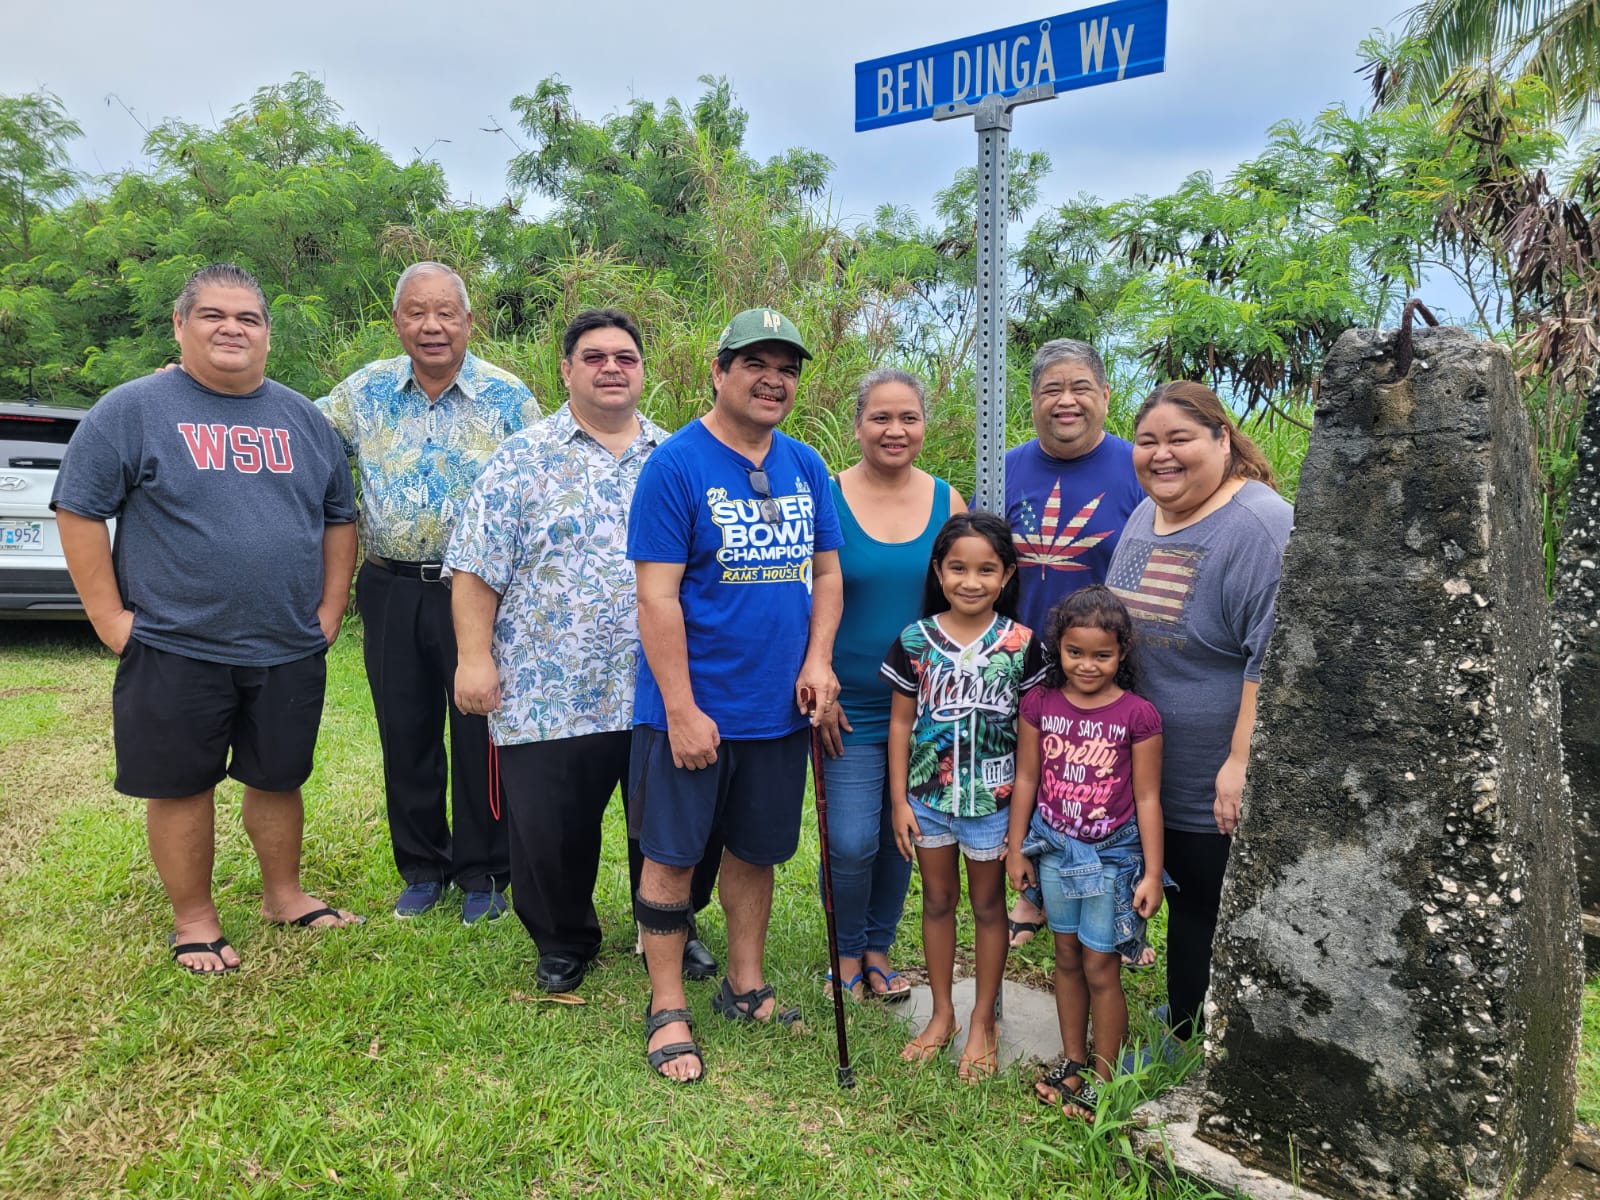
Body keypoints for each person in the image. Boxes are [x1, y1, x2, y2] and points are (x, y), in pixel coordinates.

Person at [52, 263, 363, 975]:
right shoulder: (132, 410)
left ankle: (284, 895)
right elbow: (78, 508)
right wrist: (107, 616)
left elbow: (338, 518)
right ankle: (194, 919)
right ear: (180, 326)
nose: (232, 329)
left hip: (286, 643)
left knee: (279, 776)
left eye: (248, 318)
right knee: (181, 783)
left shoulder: (302, 419)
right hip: (174, 642)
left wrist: (330, 608)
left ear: (266, 334)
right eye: (214, 315)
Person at [628, 308, 843, 1084]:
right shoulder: (675, 467)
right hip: (694, 710)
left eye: (786, 366)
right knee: (672, 858)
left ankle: (743, 984)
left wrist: (819, 659)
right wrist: (682, 710)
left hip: (779, 714)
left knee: (758, 853)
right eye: (755, 362)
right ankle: (666, 1005)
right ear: (719, 372)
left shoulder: (807, 465)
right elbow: (656, 600)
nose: (773, 379)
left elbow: (825, 573)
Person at [446, 309, 673, 992]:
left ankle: (663, 928)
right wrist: (473, 658)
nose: (612, 367)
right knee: (549, 832)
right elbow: (475, 566)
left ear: (643, 371)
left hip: (654, 686)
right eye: (595, 356)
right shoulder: (522, 457)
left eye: (626, 357)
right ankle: (562, 939)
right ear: (566, 369)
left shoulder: (678, 458)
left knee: (664, 824)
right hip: (549, 687)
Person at [318, 262, 540, 925]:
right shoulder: (362, 393)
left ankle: (484, 872)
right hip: (390, 586)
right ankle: (421, 867)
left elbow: (541, 481)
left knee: (481, 733)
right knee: (405, 730)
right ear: (397, 323)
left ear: (469, 322)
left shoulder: (508, 398)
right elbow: (295, 434)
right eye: (417, 312)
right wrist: (193, 388)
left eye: (446, 312)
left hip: (480, 593)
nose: (432, 326)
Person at [1106, 380, 1293, 1046]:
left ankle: (1194, 1041)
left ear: (1221, 438)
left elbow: (1271, 657)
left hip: (1212, 766)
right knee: (1181, 896)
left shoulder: (1260, 526)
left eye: (1180, 439)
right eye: (1148, 441)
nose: (1162, 455)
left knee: (1207, 908)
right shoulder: (1148, 512)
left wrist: (1240, 761)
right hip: (1149, 764)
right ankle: (1185, 1017)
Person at [816, 368, 965, 1002]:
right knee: (850, 840)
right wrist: (816, 678)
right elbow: (805, 595)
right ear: (857, 425)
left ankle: (877, 948)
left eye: (908, 417)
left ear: (924, 426)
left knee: (902, 834)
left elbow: (966, 591)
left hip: (925, 705)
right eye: (880, 417)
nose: (894, 430)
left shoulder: (947, 501)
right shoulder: (825, 495)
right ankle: (844, 951)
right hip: (847, 703)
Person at [884, 511, 1044, 1080]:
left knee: (988, 906)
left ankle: (983, 1020)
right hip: (928, 797)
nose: (970, 581)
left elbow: (1032, 735)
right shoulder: (915, 640)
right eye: (957, 568)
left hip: (993, 803)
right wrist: (900, 800)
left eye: (985, 569)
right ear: (939, 571)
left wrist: (1021, 820)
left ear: (1006, 575)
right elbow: (901, 724)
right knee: (935, 902)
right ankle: (942, 1013)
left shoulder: (1023, 645)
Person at [1004, 339, 1145, 949]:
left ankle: (1123, 900)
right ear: (1033, 401)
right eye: (1051, 390)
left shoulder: (1140, 466)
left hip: (1106, 664)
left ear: (1106, 396)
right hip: (1022, 657)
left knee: (1103, 783)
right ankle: (1034, 893)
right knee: (1035, 776)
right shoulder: (1001, 465)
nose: (1066, 401)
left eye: (1080, 387)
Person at [1006, 586, 1164, 1118]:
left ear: (1122, 653)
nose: (1087, 665)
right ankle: (1074, 1060)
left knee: (1101, 966)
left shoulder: (1138, 715)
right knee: (1066, 958)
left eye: (1102, 655)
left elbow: (1146, 796)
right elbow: (1026, 777)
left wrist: (1153, 873)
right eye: (1076, 652)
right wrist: (1015, 848)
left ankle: (1104, 1073)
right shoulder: (1040, 704)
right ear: (1059, 648)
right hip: (1052, 850)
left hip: (1113, 859)